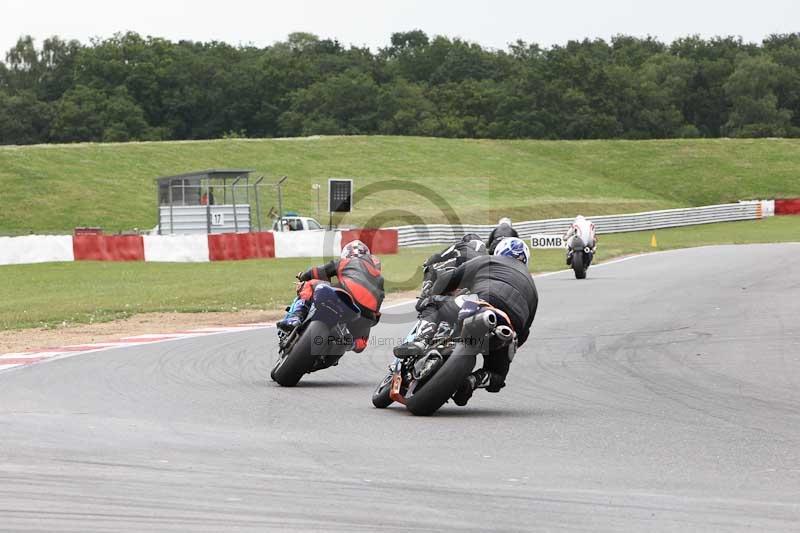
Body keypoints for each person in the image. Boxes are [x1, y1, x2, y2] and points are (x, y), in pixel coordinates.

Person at [395, 237, 538, 406]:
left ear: (499, 251)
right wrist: (507, 345)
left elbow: (450, 278)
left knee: (434, 303)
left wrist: (432, 295)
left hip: (481, 302)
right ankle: (472, 381)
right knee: (497, 376)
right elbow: (525, 332)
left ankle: (420, 340)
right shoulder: (533, 289)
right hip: (508, 326)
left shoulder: (488, 260)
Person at [277, 240, 385, 353]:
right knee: (361, 343)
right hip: (366, 314)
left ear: (347, 254)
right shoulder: (380, 280)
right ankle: (349, 344)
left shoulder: (346, 261)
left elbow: (317, 272)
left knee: (310, 284)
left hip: (347, 296)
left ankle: (295, 317)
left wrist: (303, 276)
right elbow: (377, 314)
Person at [418, 233, 487, 301]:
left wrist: (427, 263)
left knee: (431, 268)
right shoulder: (485, 251)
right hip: (482, 271)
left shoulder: (460, 245)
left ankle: (425, 293)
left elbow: (440, 256)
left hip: (462, 261)